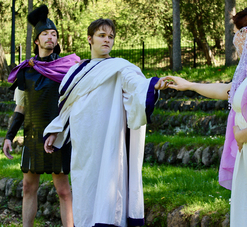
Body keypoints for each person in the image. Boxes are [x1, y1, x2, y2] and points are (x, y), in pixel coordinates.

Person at [163, 3, 247, 227]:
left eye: (237, 33)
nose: (234, 39)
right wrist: (188, 84)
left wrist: (242, 136)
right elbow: (227, 90)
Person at [43, 18, 167, 227]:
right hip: (83, 145)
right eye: (102, 35)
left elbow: (136, 84)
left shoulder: (120, 68)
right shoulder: (74, 73)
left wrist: (152, 86)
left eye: (110, 37)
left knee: (109, 190)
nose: (107, 40)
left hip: (109, 140)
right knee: (85, 190)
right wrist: (55, 131)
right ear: (90, 39)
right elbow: (66, 107)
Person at [2, 5, 80, 227]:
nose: (50, 37)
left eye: (54, 34)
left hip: (59, 135)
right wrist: (9, 136)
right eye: (45, 34)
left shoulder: (68, 68)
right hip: (33, 134)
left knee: (64, 190)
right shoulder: (26, 71)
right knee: (28, 187)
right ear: (36, 40)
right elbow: (21, 108)